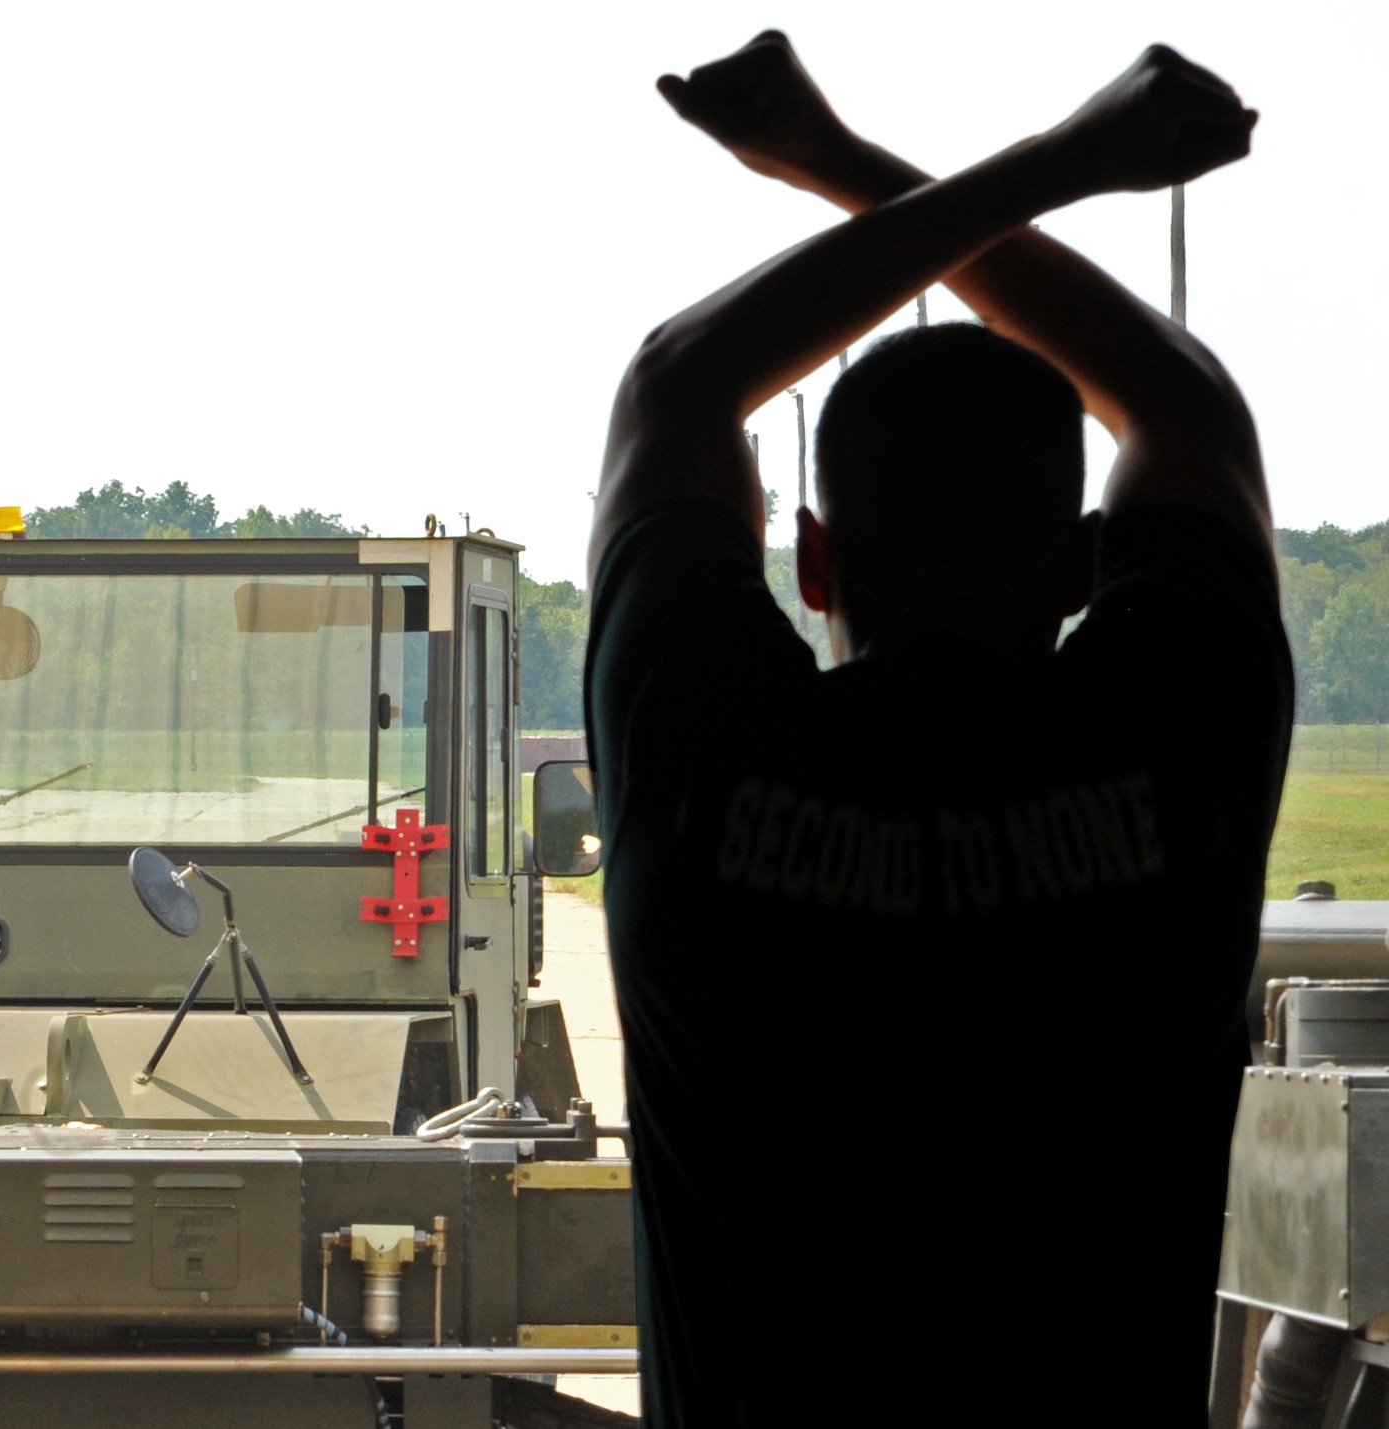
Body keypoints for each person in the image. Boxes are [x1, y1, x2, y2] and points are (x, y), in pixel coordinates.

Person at [585, 35, 1285, 1428]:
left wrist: (1049, 159)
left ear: (817, 565)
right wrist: (865, 162)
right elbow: (1179, 410)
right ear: (1084, 565)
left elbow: (676, 385)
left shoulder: (697, 753)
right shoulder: (1176, 748)